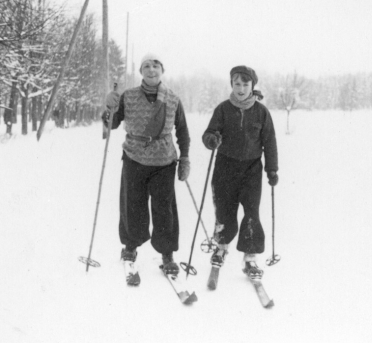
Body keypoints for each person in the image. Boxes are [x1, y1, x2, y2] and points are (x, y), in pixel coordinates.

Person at [102, 53, 190, 277]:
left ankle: (167, 253)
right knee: (133, 205)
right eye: (147, 66)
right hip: (134, 158)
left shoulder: (172, 98)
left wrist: (185, 158)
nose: (152, 70)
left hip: (164, 161)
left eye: (156, 65)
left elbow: (182, 131)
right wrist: (108, 109)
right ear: (141, 71)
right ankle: (130, 247)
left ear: (163, 70)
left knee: (165, 209)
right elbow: (111, 124)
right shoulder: (128, 96)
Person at [202, 65, 278, 279]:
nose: (241, 88)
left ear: (253, 85)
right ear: (232, 85)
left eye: (246, 84)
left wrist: (272, 169)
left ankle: (250, 257)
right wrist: (211, 139)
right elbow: (210, 132)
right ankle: (221, 246)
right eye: (237, 83)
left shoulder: (261, 112)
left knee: (252, 212)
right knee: (224, 210)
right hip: (225, 167)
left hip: (251, 169)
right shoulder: (223, 109)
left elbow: (270, 142)